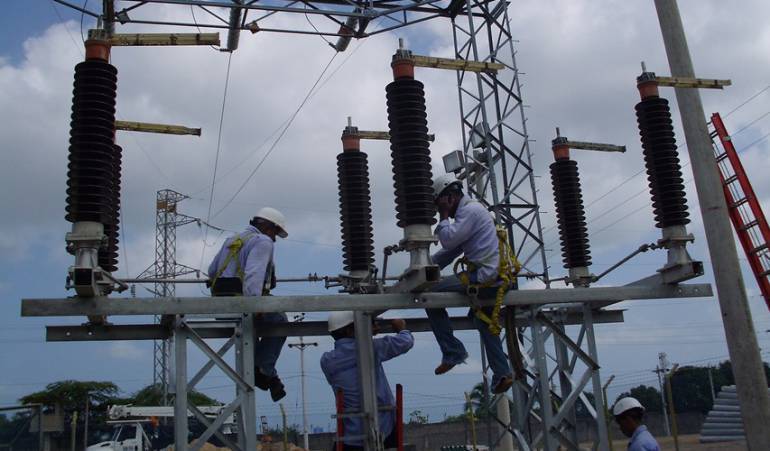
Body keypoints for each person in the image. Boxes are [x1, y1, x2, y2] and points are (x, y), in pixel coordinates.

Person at [427, 173, 513, 394]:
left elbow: (448, 239)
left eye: (440, 205)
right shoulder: (472, 213)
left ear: (450, 197)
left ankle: (452, 352)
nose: (439, 211)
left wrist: (444, 216)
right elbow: (451, 250)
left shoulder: (470, 211)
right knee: (484, 322)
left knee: (429, 294)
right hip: (493, 277)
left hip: (484, 277)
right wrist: (425, 266)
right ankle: (502, 373)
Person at [207, 207, 289, 402]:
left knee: (253, 332)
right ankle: (264, 372)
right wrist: (255, 305)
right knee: (279, 320)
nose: (275, 238)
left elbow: (211, 271)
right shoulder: (263, 241)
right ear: (269, 227)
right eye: (275, 233)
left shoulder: (232, 240)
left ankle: (267, 373)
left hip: (221, 305)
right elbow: (254, 275)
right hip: (242, 304)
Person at [321, 312, 413, 451]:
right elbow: (406, 342)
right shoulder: (371, 348)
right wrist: (402, 328)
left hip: (350, 435)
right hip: (382, 429)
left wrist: (366, 331)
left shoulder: (327, 360)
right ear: (350, 330)